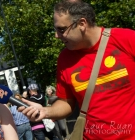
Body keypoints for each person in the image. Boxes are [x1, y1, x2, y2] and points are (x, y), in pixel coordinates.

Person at [18, 0, 135, 139]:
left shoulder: (126, 39)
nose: (56, 35)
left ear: (82, 24)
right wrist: (45, 111)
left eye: (61, 29)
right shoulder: (64, 59)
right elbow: (67, 102)